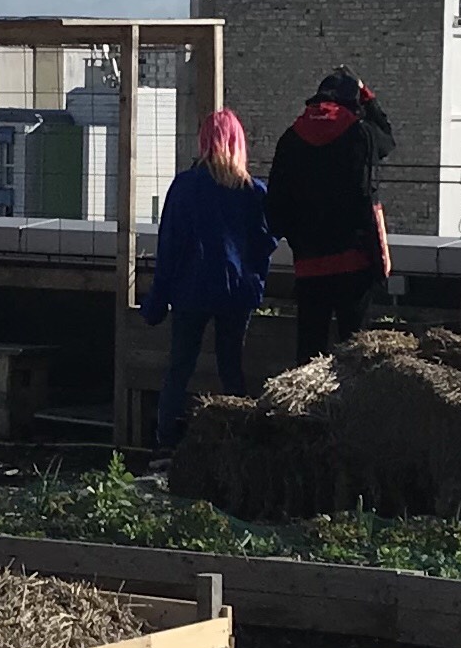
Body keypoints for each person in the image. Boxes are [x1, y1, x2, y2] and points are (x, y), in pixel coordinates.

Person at [142, 108, 277, 443]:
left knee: (180, 367)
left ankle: (166, 442)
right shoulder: (253, 192)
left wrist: (156, 301)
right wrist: (252, 281)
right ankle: (240, 440)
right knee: (231, 366)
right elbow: (266, 242)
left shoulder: (185, 187)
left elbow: (169, 246)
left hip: (191, 289)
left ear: (203, 142)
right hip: (237, 291)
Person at [266, 69, 395, 360]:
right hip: (355, 261)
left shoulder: (290, 138)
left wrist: (297, 240)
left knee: (310, 350)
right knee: (355, 350)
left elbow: (275, 204)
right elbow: (387, 139)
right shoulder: (361, 134)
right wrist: (368, 97)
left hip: (309, 264)